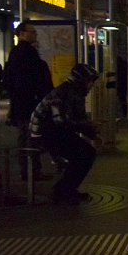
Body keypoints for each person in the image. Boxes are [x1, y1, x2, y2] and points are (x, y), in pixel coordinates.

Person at [28, 64, 100, 205]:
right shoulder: (63, 93)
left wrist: (92, 132)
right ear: (80, 81)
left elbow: (75, 120)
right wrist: (89, 127)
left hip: (54, 132)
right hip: (44, 134)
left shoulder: (74, 93)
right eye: (89, 81)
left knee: (85, 153)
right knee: (84, 154)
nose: (91, 85)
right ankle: (62, 191)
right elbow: (61, 121)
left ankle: (66, 189)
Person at [1, 21, 54, 180]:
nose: (35, 35)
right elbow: (34, 80)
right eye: (32, 32)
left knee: (26, 136)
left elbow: (10, 80)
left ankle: (30, 171)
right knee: (30, 137)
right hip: (29, 103)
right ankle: (31, 172)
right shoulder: (27, 53)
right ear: (22, 33)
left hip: (21, 103)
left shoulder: (15, 53)